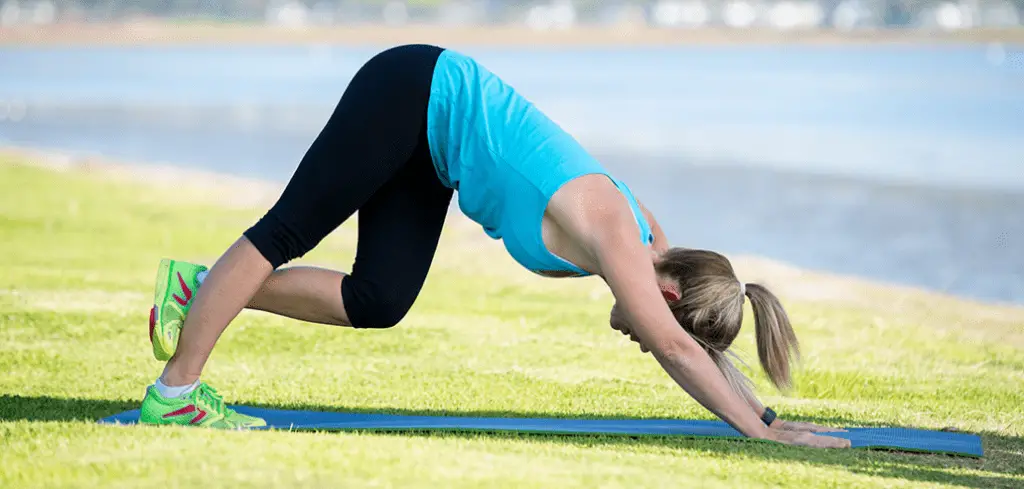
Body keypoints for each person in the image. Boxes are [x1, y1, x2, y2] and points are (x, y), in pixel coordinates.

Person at [139, 44, 850, 448]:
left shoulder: (652, 241)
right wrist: (763, 438)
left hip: (432, 151)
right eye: (656, 323)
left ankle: (199, 295)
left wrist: (765, 413)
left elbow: (695, 347)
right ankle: (175, 393)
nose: (644, 339)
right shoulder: (617, 233)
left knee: (379, 297)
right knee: (287, 231)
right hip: (413, 91)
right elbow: (678, 347)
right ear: (667, 295)